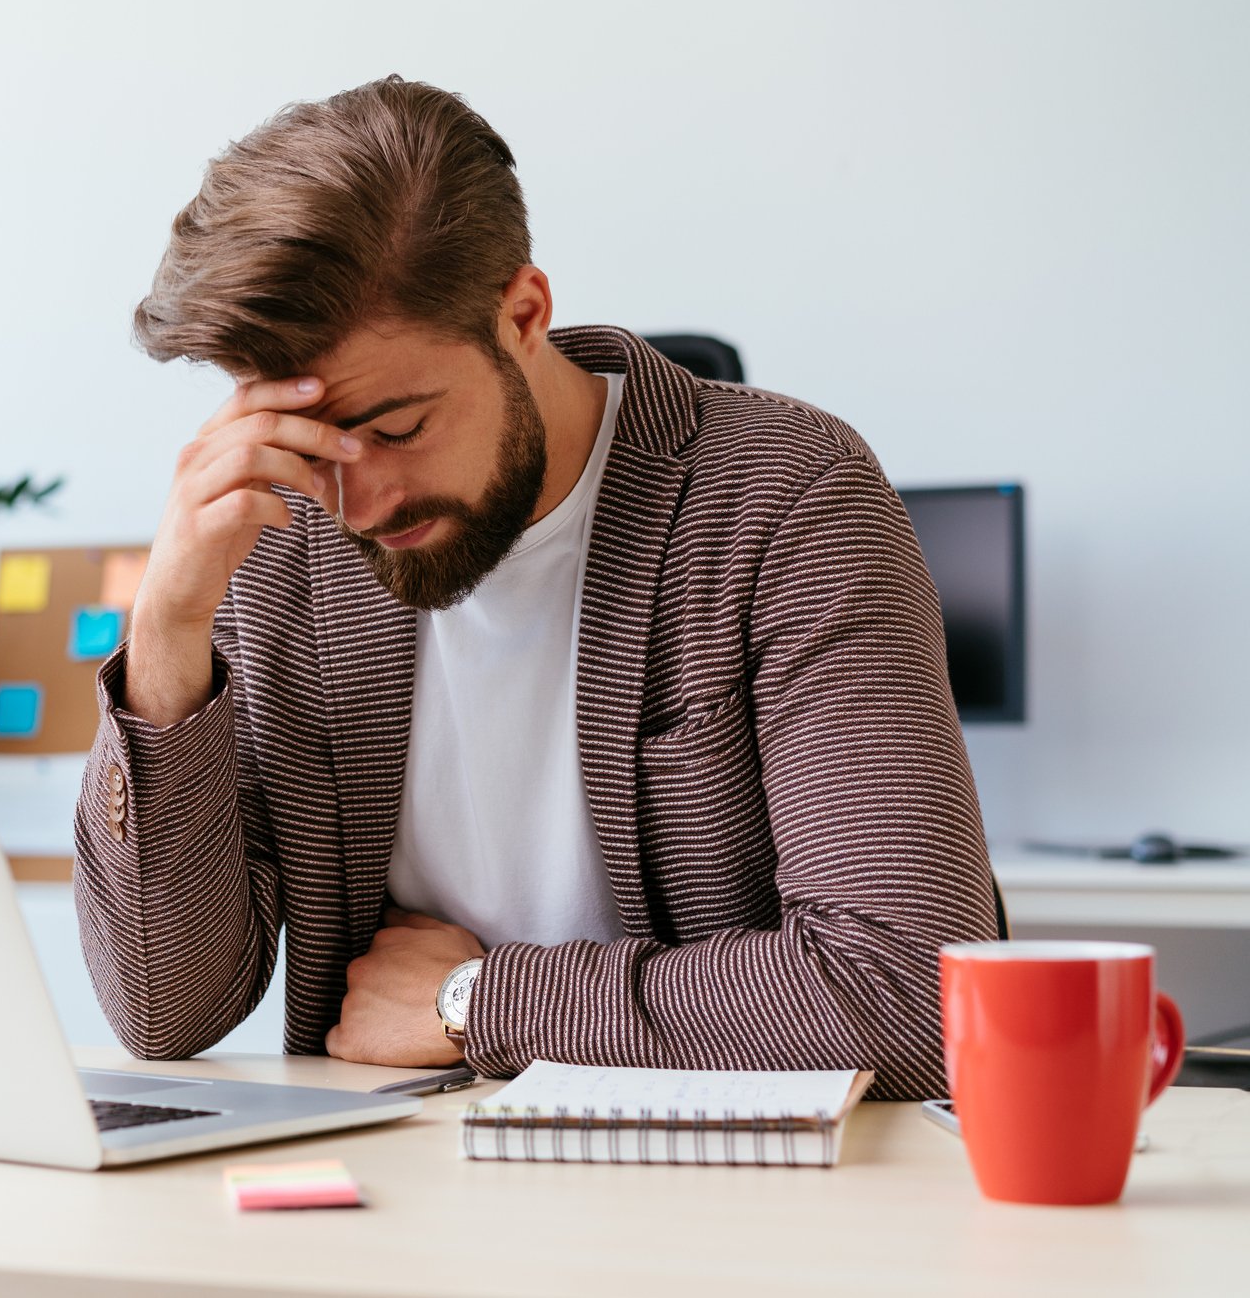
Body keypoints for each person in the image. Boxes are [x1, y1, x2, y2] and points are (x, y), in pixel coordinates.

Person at [73, 77, 996, 1100]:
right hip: (395, 1202)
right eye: (308, 446)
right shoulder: (285, 540)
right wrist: (165, 632)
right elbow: (164, 1010)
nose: (358, 500)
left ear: (521, 313)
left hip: (734, 1207)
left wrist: (477, 999)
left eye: (396, 428)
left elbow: (908, 989)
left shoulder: (782, 498)